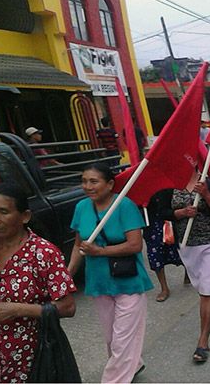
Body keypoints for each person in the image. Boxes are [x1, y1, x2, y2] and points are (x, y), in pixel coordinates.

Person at [0, 182, 76, 383]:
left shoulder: (44, 253)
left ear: (24, 216)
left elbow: (68, 307)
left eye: (3, 212)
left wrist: (18, 310)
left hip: (35, 354)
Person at [67, 162, 153, 383]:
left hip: (129, 281)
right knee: (111, 338)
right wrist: (66, 275)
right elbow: (78, 245)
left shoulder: (124, 205)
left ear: (110, 184)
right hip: (99, 281)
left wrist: (100, 251)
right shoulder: (81, 208)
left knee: (122, 340)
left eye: (93, 181)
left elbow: (135, 245)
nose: (88, 186)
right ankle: (135, 364)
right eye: (84, 181)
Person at [160, 177, 210, 363]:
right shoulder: (170, 186)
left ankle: (203, 341)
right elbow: (160, 212)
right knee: (202, 288)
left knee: (207, 292)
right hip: (187, 247)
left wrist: (206, 194)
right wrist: (180, 213)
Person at [143, 189, 186, 302]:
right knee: (155, 255)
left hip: (170, 221)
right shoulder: (139, 184)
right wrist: (141, 204)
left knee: (182, 249)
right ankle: (164, 287)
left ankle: (189, 273)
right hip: (151, 226)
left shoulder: (166, 183)